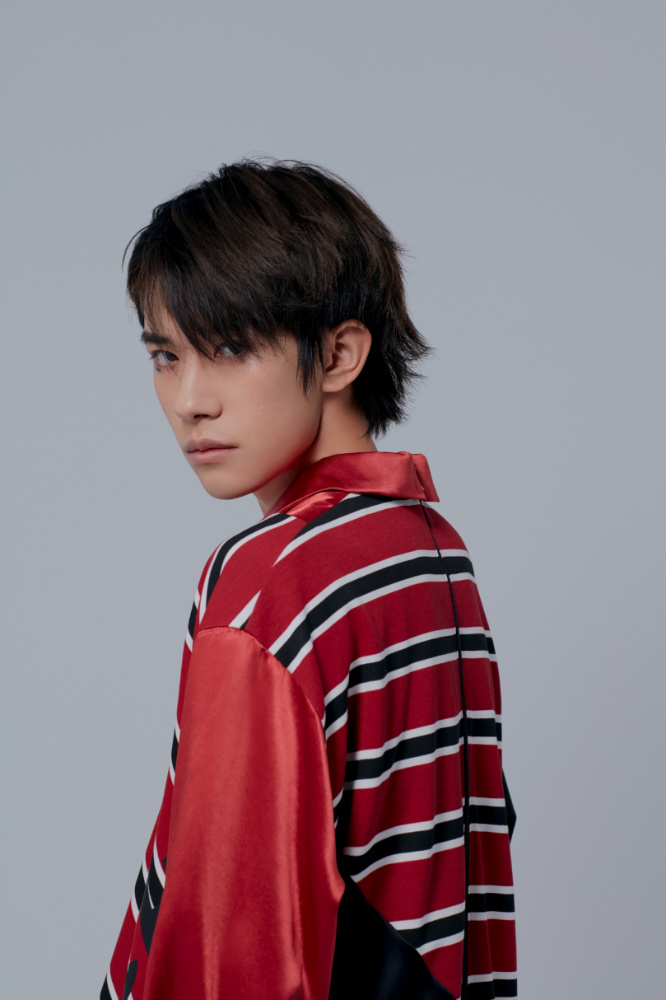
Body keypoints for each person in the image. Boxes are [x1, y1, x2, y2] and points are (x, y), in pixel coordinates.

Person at [102, 160, 517, 1000]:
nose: (188, 400)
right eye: (166, 355)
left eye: (229, 348)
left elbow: (230, 941)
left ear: (339, 354)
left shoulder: (269, 579)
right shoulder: (433, 551)